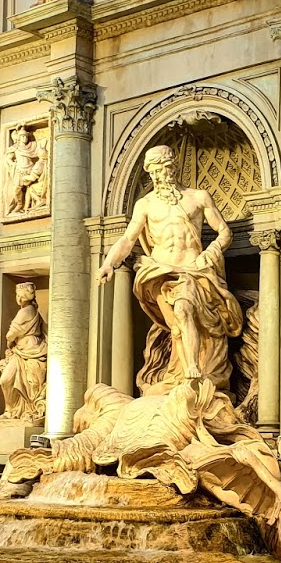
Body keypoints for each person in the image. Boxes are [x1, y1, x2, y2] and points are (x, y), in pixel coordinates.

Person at [95, 145, 242, 394]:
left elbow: (225, 232)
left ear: (173, 167)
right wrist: (109, 263)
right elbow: (128, 239)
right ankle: (185, 377)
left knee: (184, 310)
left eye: (163, 169)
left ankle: (192, 370)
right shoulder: (145, 204)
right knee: (175, 326)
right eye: (154, 172)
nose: (159, 176)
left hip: (192, 269)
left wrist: (210, 253)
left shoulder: (198, 197)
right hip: (159, 270)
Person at [0, 282, 48, 424]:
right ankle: (11, 410)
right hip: (21, 351)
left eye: (19, 295)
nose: (18, 298)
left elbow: (11, 334)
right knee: (7, 380)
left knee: (18, 382)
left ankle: (16, 410)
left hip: (30, 350)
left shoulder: (25, 312)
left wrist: (10, 340)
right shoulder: (34, 312)